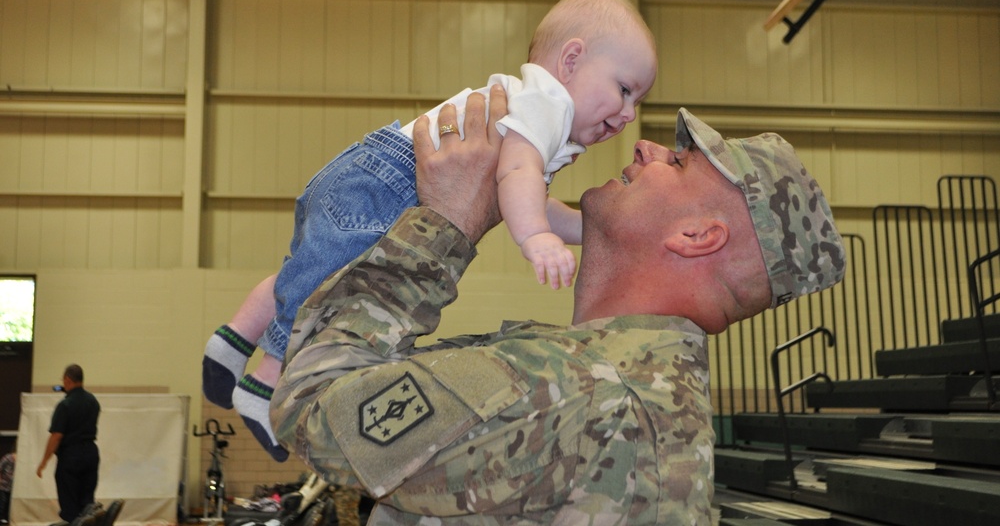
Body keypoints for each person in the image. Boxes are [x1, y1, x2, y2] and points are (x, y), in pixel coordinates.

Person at [268, 89, 847, 524]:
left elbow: (313, 410)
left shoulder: (579, 389)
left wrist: (445, 226)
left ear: (698, 235)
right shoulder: (608, 380)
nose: (646, 147)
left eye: (677, 163)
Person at [202, 0, 659, 460]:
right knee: (322, 292)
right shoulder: (549, 104)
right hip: (389, 184)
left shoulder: (534, 109)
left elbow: (528, 197)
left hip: (367, 171)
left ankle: (230, 342)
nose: (628, 114)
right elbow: (518, 176)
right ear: (571, 59)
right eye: (624, 89)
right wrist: (536, 238)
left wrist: (593, 228)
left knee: (306, 270)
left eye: (637, 100)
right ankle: (263, 386)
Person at [36, 365, 101, 524]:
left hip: (71, 456)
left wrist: (44, 462)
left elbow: (56, 436)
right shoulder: (93, 401)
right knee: (87, 503)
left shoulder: (65, 405)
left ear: (67, 379)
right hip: (91, 454)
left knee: (70, 504)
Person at [0, 447, 14, 525]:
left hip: (12, 487)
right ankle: (1, 517)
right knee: (3, 501)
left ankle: (6, 517)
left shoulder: (22, 461)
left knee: (9, 502)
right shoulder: (8, 458)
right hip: (3, 485)